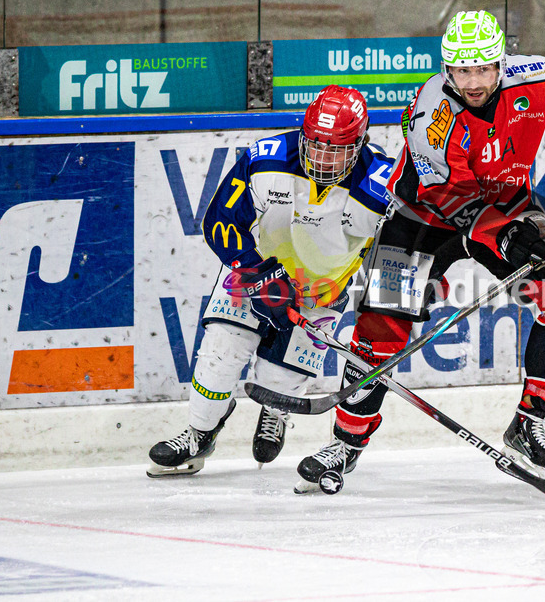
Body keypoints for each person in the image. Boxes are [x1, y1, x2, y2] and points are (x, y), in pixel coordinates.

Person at [295, 10, 545, 492]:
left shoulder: (539, 80)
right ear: (448, 68)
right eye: (462, 71)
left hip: (509, 204)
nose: (474, 81)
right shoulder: (430, 112)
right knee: (382, 320)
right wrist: (503, 234)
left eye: (483, 68)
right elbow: (447, 195)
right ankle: (345, 443)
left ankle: (530, 424)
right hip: (423, 216)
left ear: (500, 62)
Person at [147, 85, 393, 477]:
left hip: (319, 293)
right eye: (316, 145)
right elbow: (220, 222)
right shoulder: (266, 159)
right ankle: (199, 433)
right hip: (253, 275)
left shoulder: (383, 183)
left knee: (280, 380)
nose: (324, 159)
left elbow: (401, 249)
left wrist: (390, 305)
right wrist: (257, 274)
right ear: (302, 134)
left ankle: (275, 409)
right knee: (219, 358)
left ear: (361, 143)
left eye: (337, 150)